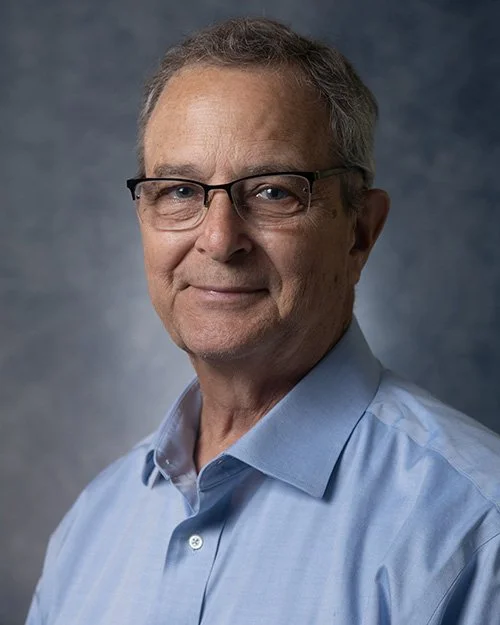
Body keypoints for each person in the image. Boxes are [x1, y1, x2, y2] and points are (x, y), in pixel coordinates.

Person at [26, 17, 500, 625]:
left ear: (359, 233)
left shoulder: (475, 530)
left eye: (274, 191)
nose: (220, 241)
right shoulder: (91, 528)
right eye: (178, 190)